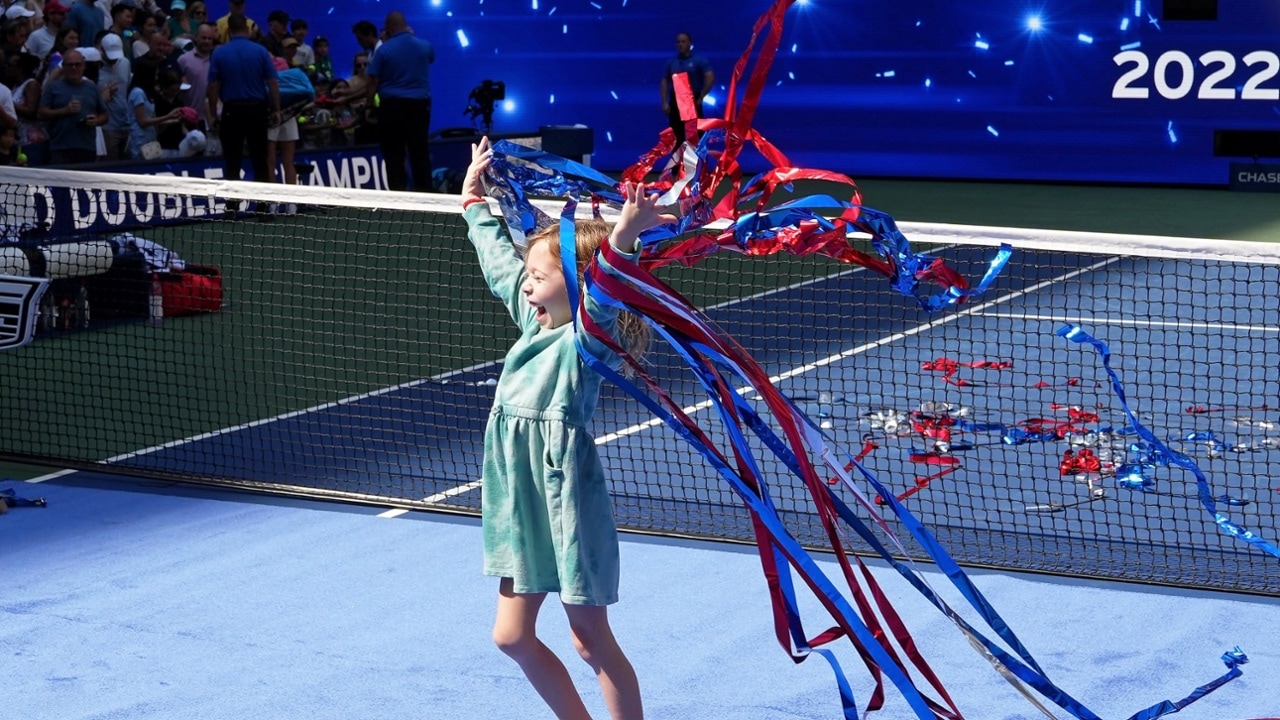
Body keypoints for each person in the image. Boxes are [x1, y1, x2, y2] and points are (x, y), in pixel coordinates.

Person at [461, 136, 670, 720]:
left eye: (539, 276)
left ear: (574, 283)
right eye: (528, 277)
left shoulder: (585, 340)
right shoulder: (531, 321)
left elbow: (604, 295)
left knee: (587, 638)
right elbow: (501, 261)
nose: (527, 285)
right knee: (510, 636)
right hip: (516, 495)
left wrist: (622, 240)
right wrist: (474, 203)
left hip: (562, 495)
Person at [207, 12, 278, 182]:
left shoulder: (219, 53)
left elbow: (212, 87)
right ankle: (263, 206)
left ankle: (232, 207)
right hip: (257, 110)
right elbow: (273, 83)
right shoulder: (260, 51)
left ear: (229, 31)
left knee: (232, 163)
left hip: (232, 111)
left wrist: (213, 113)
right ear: (247, 29)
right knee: (260, 161)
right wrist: (276, 109)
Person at [365, 10, 432, 191]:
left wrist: (369, 105)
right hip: (419, 106)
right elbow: (430, 57)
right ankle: (426, 193)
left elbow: (372, 81)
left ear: (389, 27)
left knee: (394, 153)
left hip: (392, 107)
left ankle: (398, 195)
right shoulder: (424, 45)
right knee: (419, 151)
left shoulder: (384, 50)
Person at [37, 47, 105, 164]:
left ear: (84, 66)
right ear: (63, 67)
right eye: (70, 65)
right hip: (60, 147)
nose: (74, 68)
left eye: (77, 64)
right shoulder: (53, 87)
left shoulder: (92, 88)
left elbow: (105, 114)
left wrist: (97, 121)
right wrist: (64, 111)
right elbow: (41, 113)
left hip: (86, 147)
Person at [659, 31, 713, 150]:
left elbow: (710, 76)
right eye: (678, 42)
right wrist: (664, 102)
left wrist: (702, 96)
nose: (680, 44)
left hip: (692, 100)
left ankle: (694, 167)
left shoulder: (699, 60)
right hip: (676, 101)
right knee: (676, 136)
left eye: (683, 42)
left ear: (690, 43)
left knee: (694, 136)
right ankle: (677, 167)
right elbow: (665, 81)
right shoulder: (672, 62)